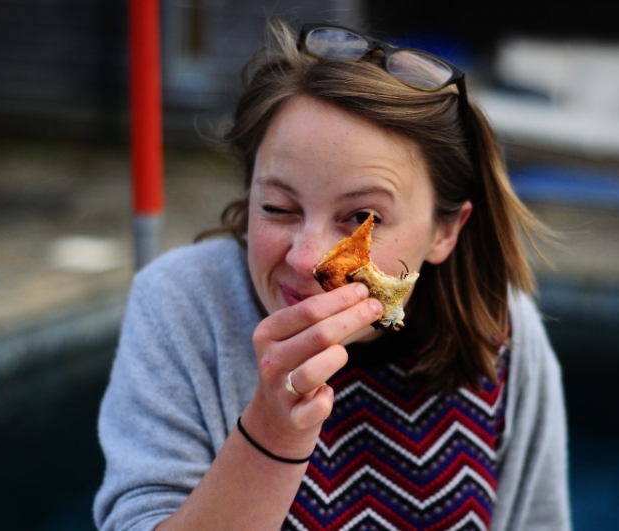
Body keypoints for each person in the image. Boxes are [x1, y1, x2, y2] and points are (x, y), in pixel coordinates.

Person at [94, 19, 571, 531]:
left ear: (446, 232)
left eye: (362, 218)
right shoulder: (180, 304)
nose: (306, 259)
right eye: (278, 207)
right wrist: (273, 433)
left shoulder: (503, 331)